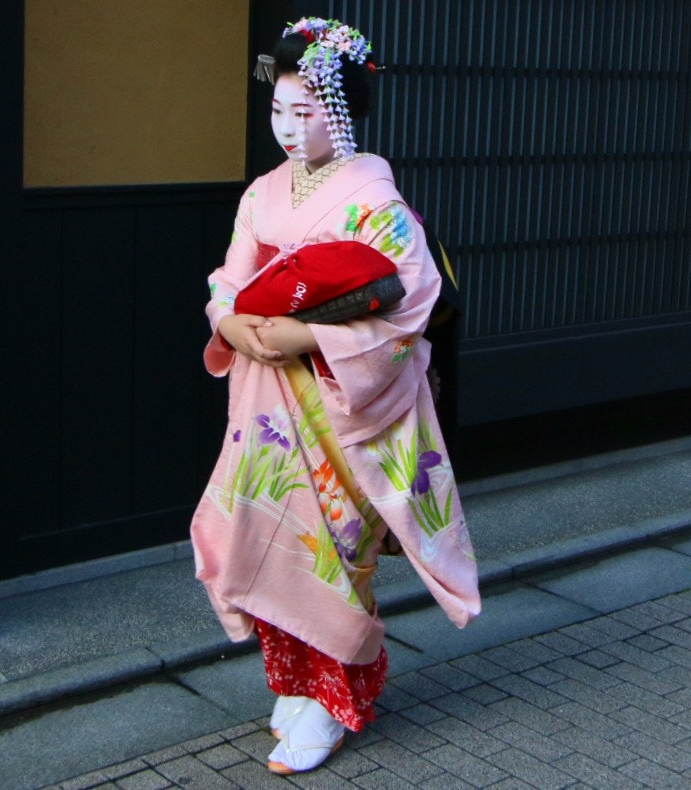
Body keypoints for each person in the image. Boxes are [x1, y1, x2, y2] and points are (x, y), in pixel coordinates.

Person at [190, 18, 481, 775]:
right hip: (267, 401)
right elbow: (229, 275)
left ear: (343, 114)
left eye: (306, 114)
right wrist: (231, 317)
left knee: (335, 543)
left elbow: (407, 311)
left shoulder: (375, 204)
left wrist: (304, 338)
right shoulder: (262, 195)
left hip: (340, 405)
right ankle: (295, 688)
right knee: (265, 529)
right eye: (278, 112)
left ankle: (330, 701)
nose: (288, 130)